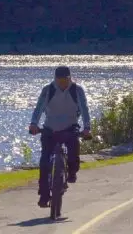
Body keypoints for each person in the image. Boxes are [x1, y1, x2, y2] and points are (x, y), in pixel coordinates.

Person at [29, 65, 92, 209]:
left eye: (65, 79)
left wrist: (87, 128)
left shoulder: (77, 90)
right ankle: (44, 196)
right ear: (55, 79)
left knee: (73, 151)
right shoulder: (48, 90)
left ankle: (72, 172)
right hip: (50, 128)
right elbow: (38, 108)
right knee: (44, 162)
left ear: (70, 78)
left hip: (70, 126)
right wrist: (34, 124)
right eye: (59, 80)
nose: (62, 82)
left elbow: (84, 109)